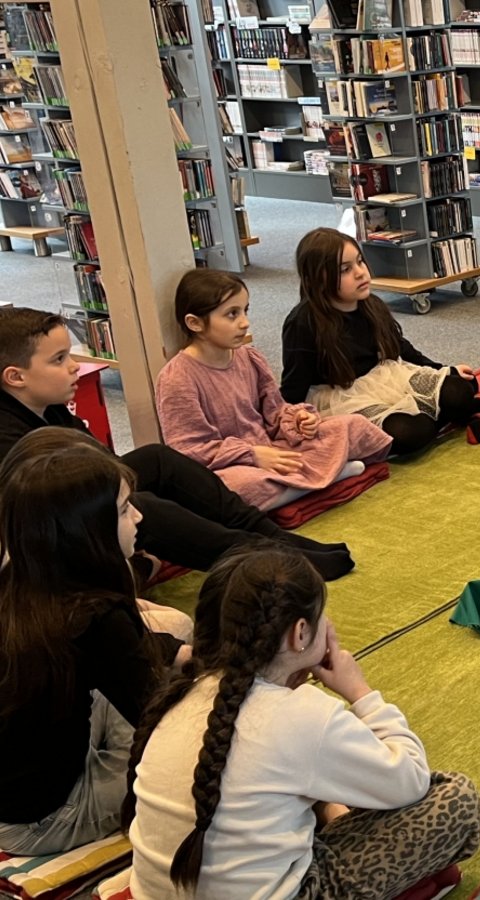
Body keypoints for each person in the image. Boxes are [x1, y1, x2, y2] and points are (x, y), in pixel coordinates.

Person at [127, 545, 480, 898]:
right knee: (456, 799)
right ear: (300, 633)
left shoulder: (179, 694)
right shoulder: (305, 713)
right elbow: (410, 781)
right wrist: (360, 692)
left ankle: (329, 812)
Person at [0, 307, 354, 579]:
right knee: (140, 505)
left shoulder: (50, 407)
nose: (75, 367)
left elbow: (101, 463)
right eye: (59, 359)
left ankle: (273, 537)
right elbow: (80, 493)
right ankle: (266, 560)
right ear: (15, 377)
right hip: (44, 538)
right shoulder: (9, 438)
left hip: (79, 502)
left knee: (157, 459)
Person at [0, 431, 190, 856]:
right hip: (42, 820)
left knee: (177, 635)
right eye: (125, 510)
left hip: (18, 783)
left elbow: (123, 655)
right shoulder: (95, 616)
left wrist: (181, 654)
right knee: (198, 765)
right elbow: (163, 727)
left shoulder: (26, 579)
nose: (139, 517)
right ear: (88, 531)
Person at [157, 269, 392, 511]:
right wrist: (252, 455)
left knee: (352, 425)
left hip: (272, 448)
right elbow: (190, 449)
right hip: (233, 466)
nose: (244, 322)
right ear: (194, 323)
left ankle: (301, 485)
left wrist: (299, 420)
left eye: (245, 311)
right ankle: (329, 475)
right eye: (231, 314)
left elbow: (275, 412)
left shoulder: (249, 357)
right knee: (239, 486)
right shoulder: (178, 378)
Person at [280, 228, 480, 456]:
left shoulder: (370, 304)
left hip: (385, 379)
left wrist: (443, 370)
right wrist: (293, 421)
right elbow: (293, 385)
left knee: (462, 389)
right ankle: (437, 417)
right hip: (343, 397)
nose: (361, 273)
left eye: (360, 262)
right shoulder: (303, 323)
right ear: (318, 279)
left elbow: (400, 347)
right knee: (411, 433)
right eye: (345, 270)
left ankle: (440, 413)